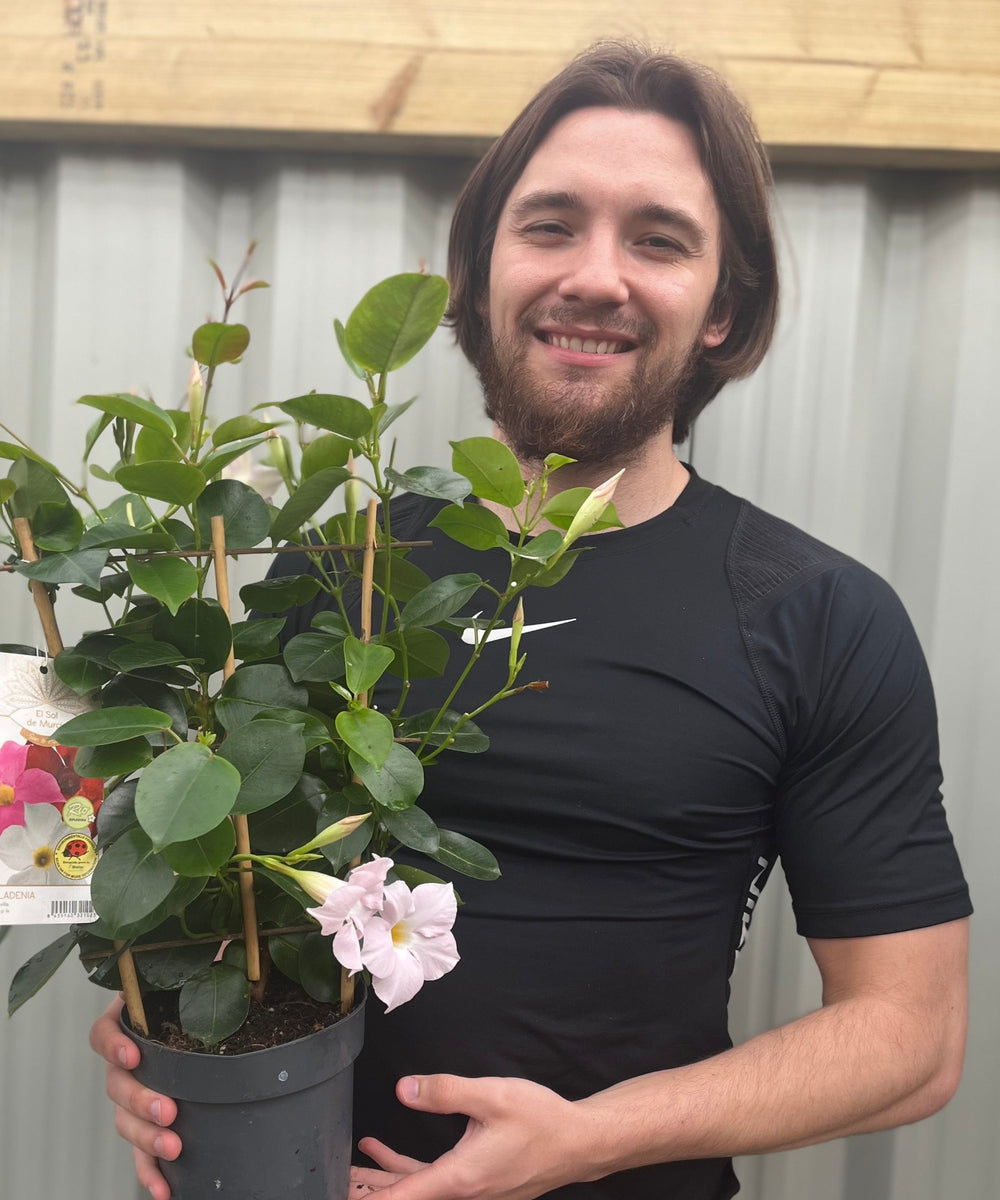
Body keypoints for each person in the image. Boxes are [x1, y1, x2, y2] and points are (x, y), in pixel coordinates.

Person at [89, 41, 971, 1200]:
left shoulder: (818, 619)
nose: (595, 276)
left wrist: (589, 1140)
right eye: (550, 225)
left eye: (658, 240)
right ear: (479, 273)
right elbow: (229, 895)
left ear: (723, 307)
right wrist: (160, 1038)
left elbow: (912, 1040)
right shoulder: (327, 579)